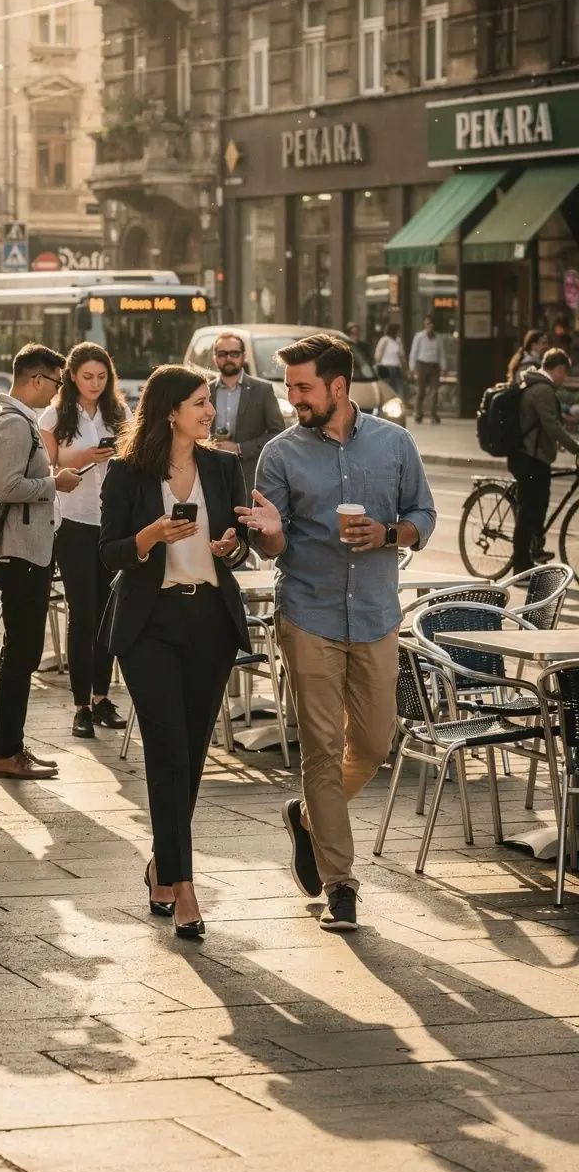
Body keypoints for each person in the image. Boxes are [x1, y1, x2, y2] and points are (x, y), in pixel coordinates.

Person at [237, 334, 436, 933]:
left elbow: (423, 514)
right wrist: (268, 532)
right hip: (309, 612)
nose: (293, 397)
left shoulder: (394, 443)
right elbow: (270, 541)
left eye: (303, 387)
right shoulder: (280, 453)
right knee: (322, 748)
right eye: (289, 386)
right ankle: (340, 886)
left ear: (338, 388)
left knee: (375, 744)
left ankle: (306, 817)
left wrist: (389, 535)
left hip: (376, 613)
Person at [100, 366, 251, 939]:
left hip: (209, 622)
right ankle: (185, 888)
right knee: (167, 751)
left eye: (209, 402)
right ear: (170, 411)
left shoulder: (221, 465)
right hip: (151, 626)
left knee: (189, 755)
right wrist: (150, 536)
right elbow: (110, 551)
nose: (209, 411)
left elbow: (241, 547)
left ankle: (163, 865)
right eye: (199, 402)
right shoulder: (128, 472)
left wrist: (231, 546)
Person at [0, 344, 81, 779]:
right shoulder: (14, 423)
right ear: (37, 380)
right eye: (58, 383)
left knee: (20, 651)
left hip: (27, 547)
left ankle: (11, 746)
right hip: (21, 551)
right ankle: (5, 752)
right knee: (22, 652)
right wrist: (54, 482)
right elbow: (8, 488)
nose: (58, 393)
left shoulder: (10, 418)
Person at [40, 343, 130, 740]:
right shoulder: (54, 415)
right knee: (83, 613)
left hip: (111, 519)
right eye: (87, 376)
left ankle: (101, 697)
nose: (95, 384)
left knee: (109, 612)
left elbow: (133, 453)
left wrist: (117, 453)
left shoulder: (119, 412)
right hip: (73, 519)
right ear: (72, 376)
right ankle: (80, 706)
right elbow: (46, 468)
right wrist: (83, 457)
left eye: (101, 377)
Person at [509, 347, 579, 573]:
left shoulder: (536, 385)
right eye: (564, 373)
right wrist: (576, 448)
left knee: (537, 506)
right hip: (530, 458)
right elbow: (551, 425)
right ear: (558, 369)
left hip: (532, 456)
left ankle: (534, 550)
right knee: (530, 509)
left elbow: (546, 424)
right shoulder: (542, 389)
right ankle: (520, 565)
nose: (564, 378)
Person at [208, 333, 285, 501]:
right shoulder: (205, 391)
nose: (228, 358)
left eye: (234, 353)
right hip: (210, 472)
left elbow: (277, 434)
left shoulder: (263, 390)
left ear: (244, 356)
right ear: (215, 358)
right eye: (222, 354)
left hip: (249, 475)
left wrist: (239, 448)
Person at [408, 315, 442, 423]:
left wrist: (444, 366)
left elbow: (441, 353)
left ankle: (433, 414)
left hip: (434, 366)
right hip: (422, 365)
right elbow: (414, 352)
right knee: (421, 391)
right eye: (427, 325)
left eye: (431, 325)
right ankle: (418, 413)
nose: (429, 327)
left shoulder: (438, 338)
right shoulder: (419, 337)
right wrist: (412, 367)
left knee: (434, 391)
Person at [374, 322, 404, 397]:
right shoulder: (385, 340)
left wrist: (404, 368)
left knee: (396, 390)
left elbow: (401, 355)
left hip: (396, 368)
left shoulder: (398, 341)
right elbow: (378, 354)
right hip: (386, 368)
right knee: (387, 388)